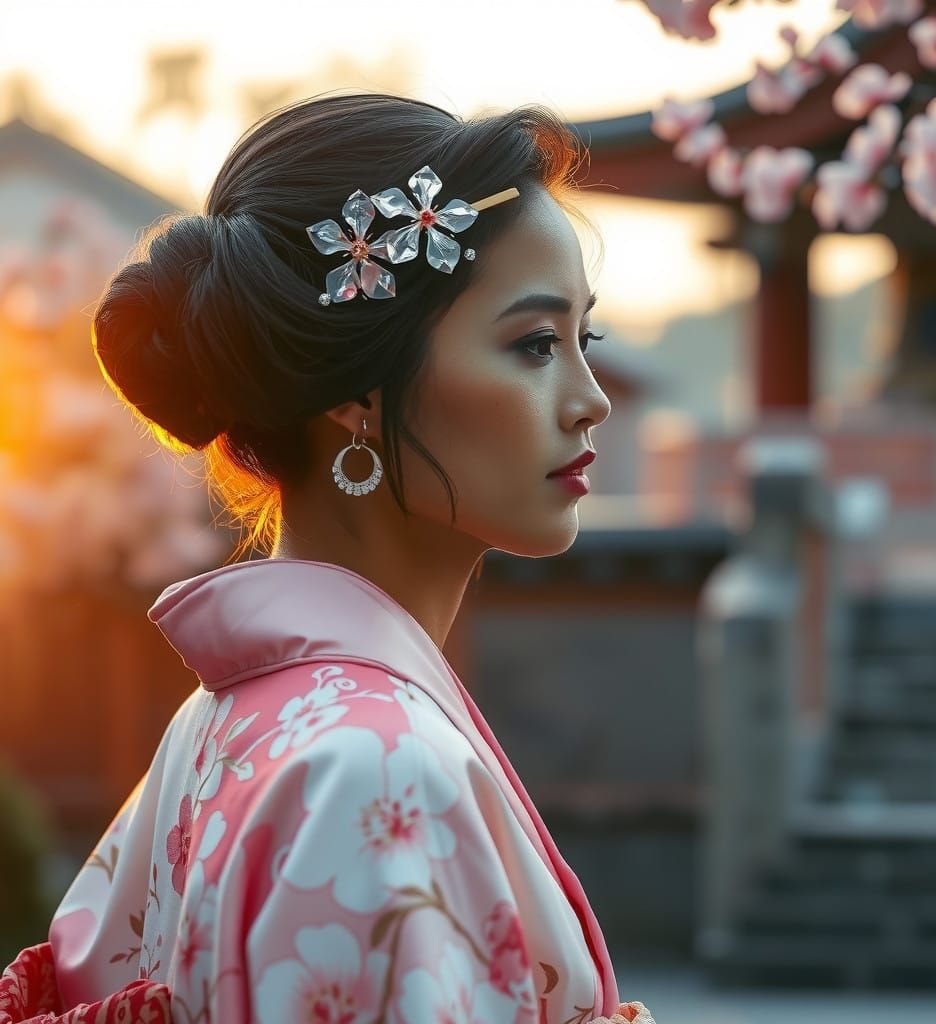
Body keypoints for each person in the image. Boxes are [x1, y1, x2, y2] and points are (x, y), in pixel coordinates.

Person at [0, 91, 655, 1024]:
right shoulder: (372, 771)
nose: (592, 398)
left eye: (584, 339)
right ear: (357, 391)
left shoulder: (224, 724)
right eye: (536, 344)